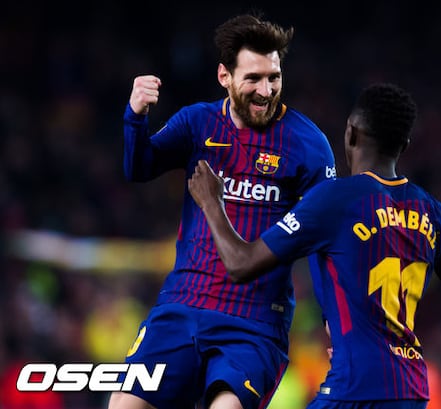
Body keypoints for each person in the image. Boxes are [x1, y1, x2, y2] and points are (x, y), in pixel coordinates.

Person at [187, 83, 441, 409]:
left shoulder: (335, 199)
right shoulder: (433, 212)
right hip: (410, 389)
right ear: (404, 145)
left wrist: (211, 203)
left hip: (356, 386)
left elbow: (241, 263)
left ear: (351, 132)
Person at [109, 13, 336, 409]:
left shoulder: (309, 145)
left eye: (274, 78)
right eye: (253, 79)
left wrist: (335, 321)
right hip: (182, 305)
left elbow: (326, 241)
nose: (266, 91)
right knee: (124, 405)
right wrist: (135, 116)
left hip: (254, 322)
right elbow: (139, 167)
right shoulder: (197, 123)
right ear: (224, 76)